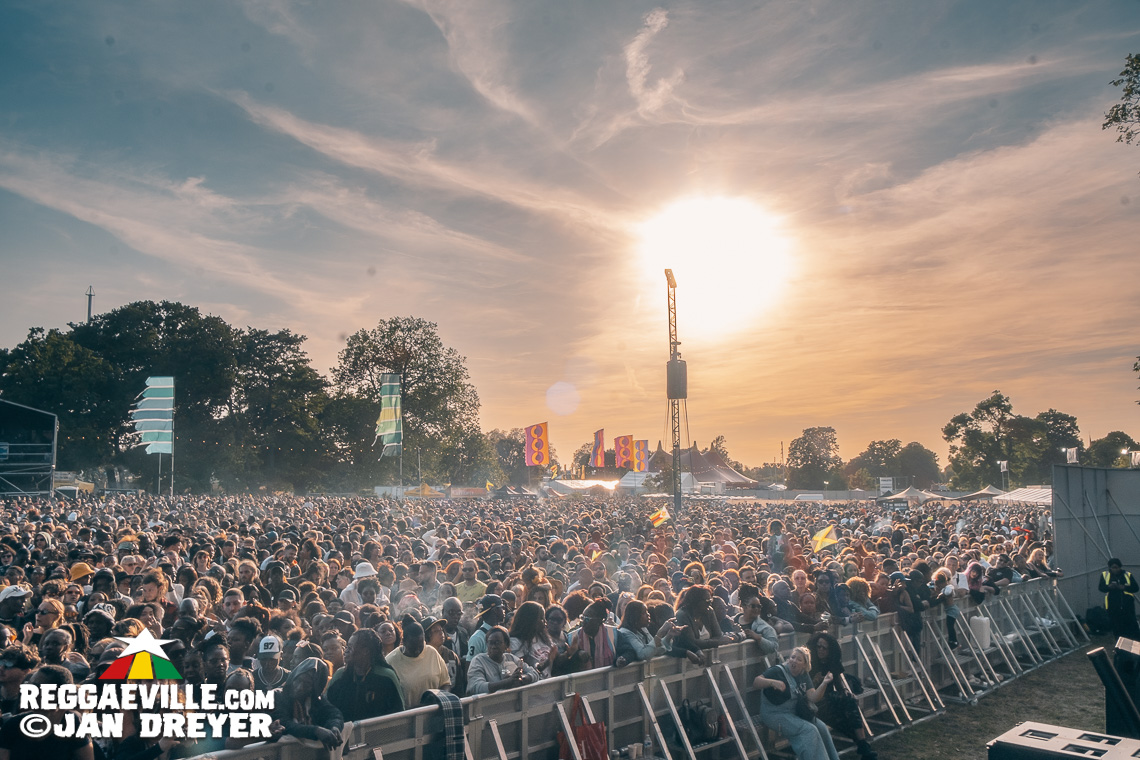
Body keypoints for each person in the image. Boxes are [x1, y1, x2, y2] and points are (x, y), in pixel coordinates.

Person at [753, 646, 840, 760]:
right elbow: (756, 682)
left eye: (799, 659)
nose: (794, 661)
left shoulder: (803, 674)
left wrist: (824, 683)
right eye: (792, 657)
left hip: (794, 713)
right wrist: (772, 682)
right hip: (774, 714)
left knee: (821, 727)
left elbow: (813, 697)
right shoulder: (777, 671)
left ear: (804, 665)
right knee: (809, 730)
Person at [808, 632, 875, 760]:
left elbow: (838, 683)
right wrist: (815, 681)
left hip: (828, 700)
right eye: (818, 646)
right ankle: (863, 747)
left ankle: (864, 747)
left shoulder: (832, 662)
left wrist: (845, 691)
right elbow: (804, 688)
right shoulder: (810, 663)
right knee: (842, 716)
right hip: (814, 701)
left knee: (850, 702)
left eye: (824, 648)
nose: (820, 650)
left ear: (830, 650)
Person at [327, 629, 405, 719]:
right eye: (347, 647)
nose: (346, 651)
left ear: (365, 651)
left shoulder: (386, 677)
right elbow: (327, 709)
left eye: (350, 647)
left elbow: (399, 714)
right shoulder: (340, 675)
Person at [271, 657, 345, 751]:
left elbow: (334, 714)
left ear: (315, 688)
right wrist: (315, 731)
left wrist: (334, 727)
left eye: (306, 684)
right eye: (298, 680)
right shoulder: (277, 695)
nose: (300, 687)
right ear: (293, 677)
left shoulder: (315, 700)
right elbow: (285, 723)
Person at [386, 616, 450, 706]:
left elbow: (446, 683)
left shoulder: (432, 653)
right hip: (408, 714)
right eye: (413, 646)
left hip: (434, 711)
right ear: (403, 641)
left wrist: (439, 698)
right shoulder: (390, 661)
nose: (417, 651)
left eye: (420, 646)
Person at [467, 626, 538, 695]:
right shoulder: (478, 661)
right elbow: (476, 687)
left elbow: (534, 673)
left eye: (497, 643)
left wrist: (520, 679)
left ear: (506, 645)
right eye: (490, 643)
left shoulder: (511, 658)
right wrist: (506, 682)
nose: (493, 647)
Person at [615, 599, 674, 665]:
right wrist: (660, 633)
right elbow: (642, 654)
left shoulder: (643, 629)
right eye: (644, 613)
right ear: (635, 616)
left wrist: (669, 635)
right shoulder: (625, 633)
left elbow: (659, 650)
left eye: (647, 612)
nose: (648, 615)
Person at [1100, 558, 1140, 640]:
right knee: (1117, 627)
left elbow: (1135, 588)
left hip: (1127, 607)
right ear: (1109, 567)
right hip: (1113, 607)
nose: (1115, 569)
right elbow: (1101, 588)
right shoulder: (1105, 575)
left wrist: (1124, 587)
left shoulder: (1127, 575)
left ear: (1120, 567)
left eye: (1117, 567)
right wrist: (1109, 587)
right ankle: (1119, 643)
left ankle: (1135, 642)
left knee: (1132, 626)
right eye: (1113, 567)